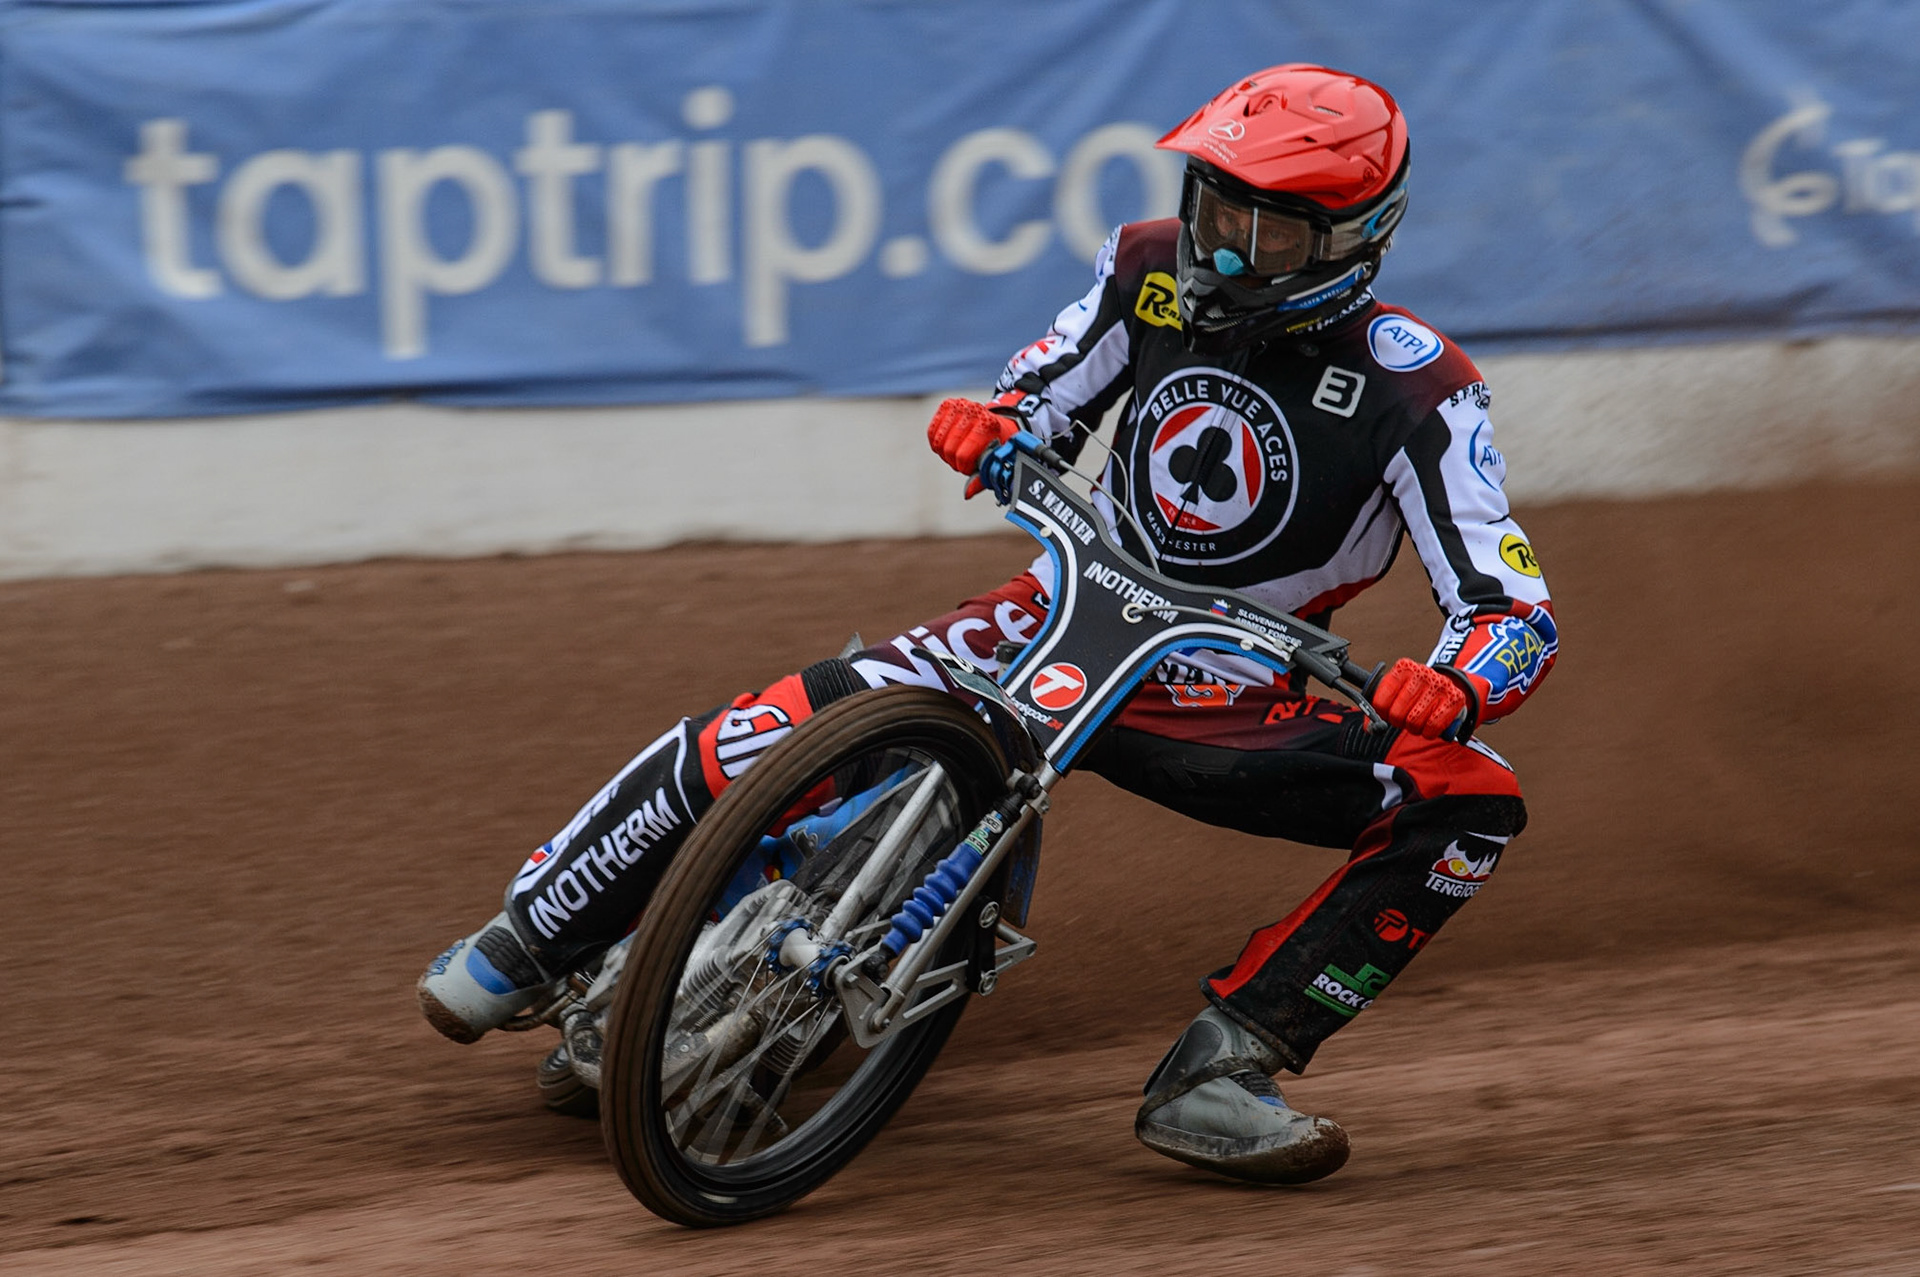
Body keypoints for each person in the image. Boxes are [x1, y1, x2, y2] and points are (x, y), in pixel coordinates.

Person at [418, 63, 1557, 1186]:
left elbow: (1511, 607)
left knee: (1471, 801)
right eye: (1214, 207)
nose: (1220, 249)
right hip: (1055, 612)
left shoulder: (1423, 388)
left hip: (1224, 682)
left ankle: (1228, 1063)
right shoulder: (1147, 268)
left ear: (1355, 240)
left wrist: (1458, 681)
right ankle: (530, 940)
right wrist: (999, 420)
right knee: (794, 712)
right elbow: (1044, 387)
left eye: (1265, 233)